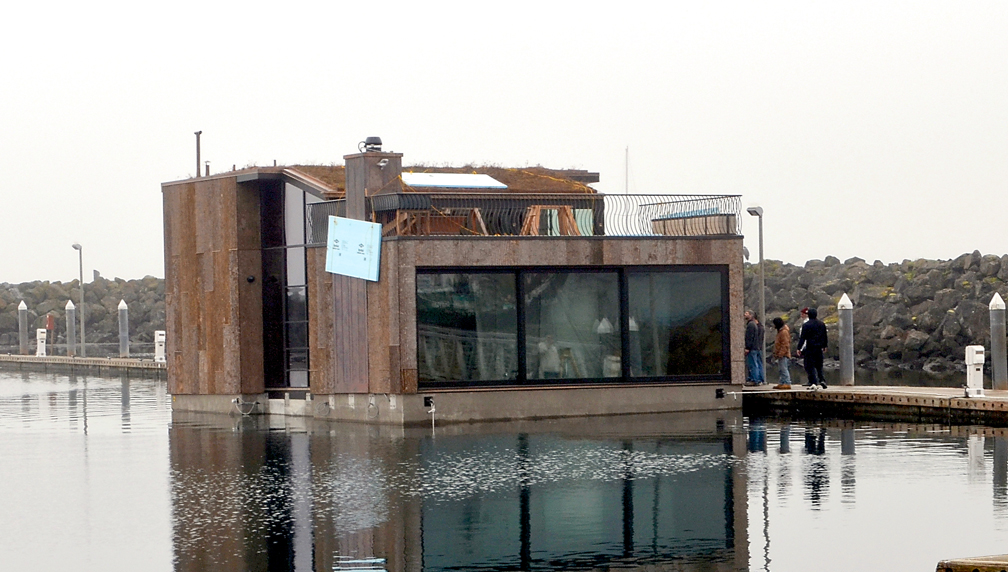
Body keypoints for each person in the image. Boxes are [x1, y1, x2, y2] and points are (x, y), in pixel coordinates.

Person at [797, 307, 828, 388]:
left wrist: (799, 348)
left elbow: (803, 338)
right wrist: (825, 345)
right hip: (819, 348)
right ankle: (822, 380)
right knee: (819, 365)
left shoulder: (806, 325)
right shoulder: (821, 324)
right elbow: (824, 336)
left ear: (809, 315)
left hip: (810, 348)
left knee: (809, 365)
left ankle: (813, 381)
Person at [744, 310, 765, 385]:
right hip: (758, 347)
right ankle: (760, 379)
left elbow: (749, 337)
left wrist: (747, 347)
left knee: (753, 364)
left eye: (746, 313)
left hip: (752, 348)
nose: (744, 314)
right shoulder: (759, 326)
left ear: (751, 315)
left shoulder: (751, 325)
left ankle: (754, 380)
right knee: (758, 364)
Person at [771, 317, 792, 389]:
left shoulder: (784, 332)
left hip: (784, 355)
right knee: (781, 369)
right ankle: (782, 382)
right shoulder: (780, 331)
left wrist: (781, 354)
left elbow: (785, 344)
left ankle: (787, 382)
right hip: (780, 354)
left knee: (784, 369)